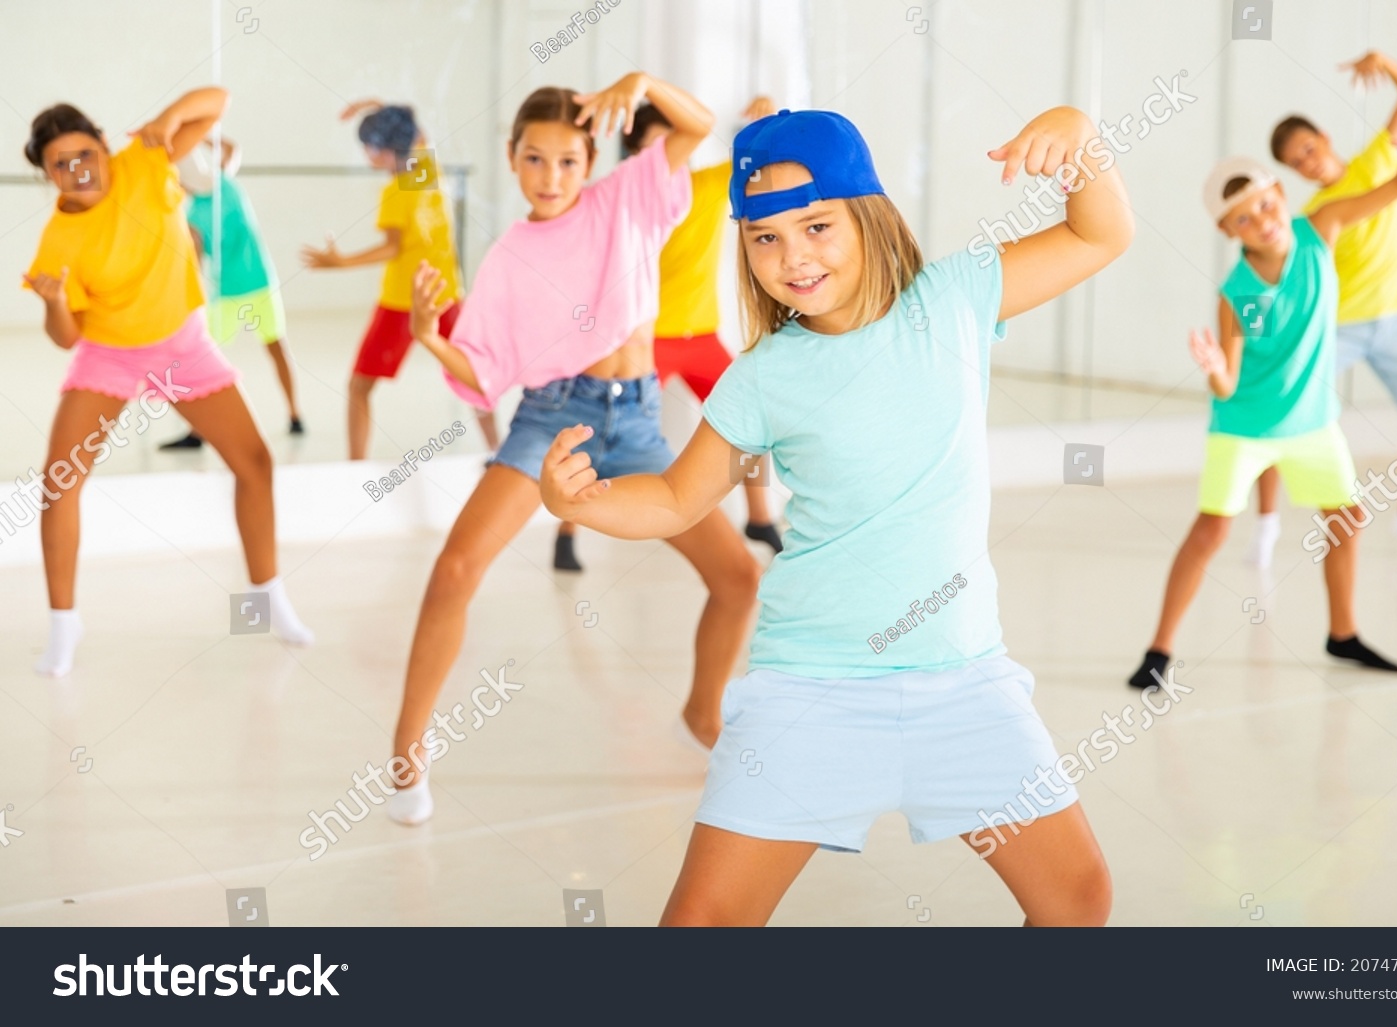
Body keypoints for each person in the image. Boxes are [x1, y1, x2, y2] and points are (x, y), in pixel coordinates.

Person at [541, 104, 1133, 926]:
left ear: (868, 215)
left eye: (816, 225)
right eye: (765, 238)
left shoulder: (954, 298)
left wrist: (1081, 138)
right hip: (811, 688)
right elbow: (679, 496)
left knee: (1078, 898)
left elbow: (1099, 235)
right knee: (704, 922)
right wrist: (583, 499)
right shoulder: (764, 374)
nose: (793, 256)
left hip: (963, 679)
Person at [383, 76, 762, 826]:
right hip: (556, 417)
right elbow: (485, 369)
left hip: (642, 422)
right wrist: (431, 338)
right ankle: (406, 750)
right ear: (512, 158)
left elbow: (697, 126)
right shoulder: (510, 255)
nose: (549, 177)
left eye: (565, 160)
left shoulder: (630, 198)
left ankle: (701, 713)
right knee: (455, 569)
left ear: (590, 161)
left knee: (739, 577)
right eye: (533, 159)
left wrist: (646, 83)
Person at [1126, 126, 1397, 691]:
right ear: (1227, 231)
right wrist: (1213, 368)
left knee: (1345, 521)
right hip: (1245, 429)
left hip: (1313, 425)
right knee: (1212, 531)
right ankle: (1159, 650)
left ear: (1282, 197)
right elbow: (1227, 383)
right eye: (1245, 218)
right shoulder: (1241, 294)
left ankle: (1342, 635)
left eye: (1268, 205)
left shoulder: (1321, 230)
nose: (1263, 220)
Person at [21, 89, 314, 677]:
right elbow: (67, 337)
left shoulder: (144, 162)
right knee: (60, 483)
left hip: (182, 344)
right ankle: (63, 624)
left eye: (85, 153)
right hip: (108, 353)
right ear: (47, 174)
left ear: (103, 146)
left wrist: (165, 119)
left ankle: (267, 594)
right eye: (60, 163)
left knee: (255, 462)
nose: (77, 170)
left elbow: (219, 101)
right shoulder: (58, 238)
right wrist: (53, 303)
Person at [552, 95, 784, 573]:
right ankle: (566, 530)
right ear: (636, 158)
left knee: (753, 422)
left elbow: (755, 162)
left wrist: (759, 125)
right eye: (655, 150)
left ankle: (759, 518)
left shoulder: (706, 184)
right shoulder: (626, 205)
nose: (669, 159)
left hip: (701, 338)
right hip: (647, 345)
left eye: (673, 145)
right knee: (603, 429)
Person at [1250, 49, 1397, 565]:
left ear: (1324, 138)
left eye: (1308, 149)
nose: (1307, 162)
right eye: (1296, 163)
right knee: (1280, 412)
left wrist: (1383, 62)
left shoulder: (1377, 159)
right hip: (1340, 328)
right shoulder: (1314, 215)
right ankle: (1267, 527)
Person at [300, 101, 498, 459]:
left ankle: (355, 464)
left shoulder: (395, 192)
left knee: (358, 386)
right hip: (446, 293)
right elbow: (414, 126)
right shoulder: (426, 167)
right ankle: (498, 450)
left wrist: (341, 262)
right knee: (473, 378)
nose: (365, 154)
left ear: (385, 149)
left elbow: (391, 248)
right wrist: (373, 108)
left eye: (369, 146)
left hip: (403, 302)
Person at [159, 138, 304, 449]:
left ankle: (198, 433)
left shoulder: (192, 216)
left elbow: (194, 268)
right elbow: (232, 148)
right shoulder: (227, 183)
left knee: (204, 359)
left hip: (227, 294)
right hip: (262, 281)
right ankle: (295, 416)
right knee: (277, 347)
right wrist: (199, 137)